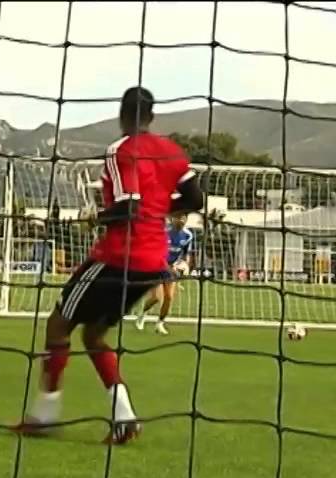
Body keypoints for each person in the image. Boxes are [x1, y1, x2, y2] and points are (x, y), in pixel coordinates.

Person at [14, 86, 203, 445]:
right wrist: (158, 208)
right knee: (93, 335)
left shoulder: (122, 150)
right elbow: (195, 198)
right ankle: (124, 418)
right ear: (152, 115)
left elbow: (128, 205)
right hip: (153, 262)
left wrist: (94, 217)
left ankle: (44, 417)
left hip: (119, 257)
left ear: (122, 113)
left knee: (58, 327)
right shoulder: (172, 152)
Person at [135, 214, 194, 335]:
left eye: (183, 218)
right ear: (173, 218)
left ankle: (160, 323)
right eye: (179, 217)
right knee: (156, 297)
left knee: (169, 297)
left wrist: (184, 264)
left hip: (171, 269)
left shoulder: (188, 235)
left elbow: (186, 254)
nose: (181, 220)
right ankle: (142, 314)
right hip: (156, 266)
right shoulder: (163, 232)